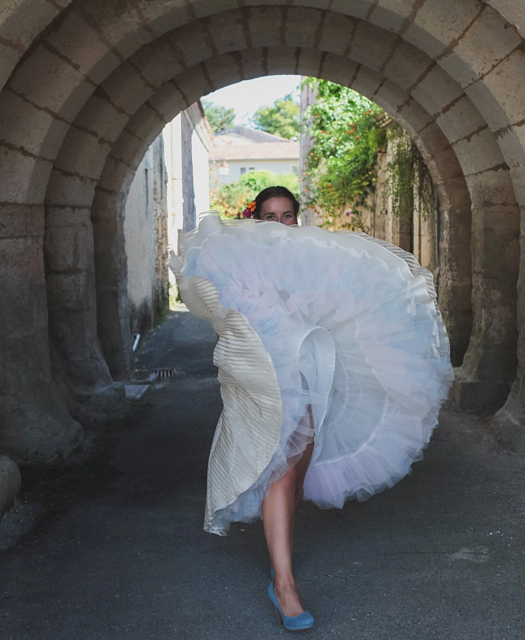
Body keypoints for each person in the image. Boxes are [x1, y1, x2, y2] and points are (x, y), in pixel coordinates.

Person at [170, 186, 453, 632]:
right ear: (256, 217)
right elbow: (210, 302)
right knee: (279, 467)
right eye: (270, 215)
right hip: (261, 376)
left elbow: (345, 300)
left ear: (296, 220)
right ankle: (284, 584)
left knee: (298, 467)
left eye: (287, 216)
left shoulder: (310, 257)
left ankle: (279, 553)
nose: (279, 224)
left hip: (309, 372)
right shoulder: (239, 258)